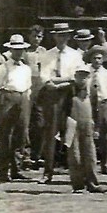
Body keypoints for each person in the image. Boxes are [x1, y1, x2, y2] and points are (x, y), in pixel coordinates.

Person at [39, 22, 82, 184]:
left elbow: (75, 78)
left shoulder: (75, 55)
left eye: (64, 35)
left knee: (71, 132)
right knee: (50, 134)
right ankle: (47, 172)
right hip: (52, 97)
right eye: (59, 35)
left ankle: (74, 173)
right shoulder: (47, 55)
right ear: (54, 36)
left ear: (69, 37)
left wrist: (59, 82)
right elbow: (45, 79)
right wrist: (65, 80)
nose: (61, 38)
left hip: (70, 95)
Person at [0, 35, 35, 182]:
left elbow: (28, 87)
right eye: (15, 50)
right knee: (6, 136)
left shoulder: (26, 69)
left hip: (22, 100)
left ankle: (16, 169)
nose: (18, 52)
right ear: (10, 50)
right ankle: (4, 171)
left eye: (21, 50)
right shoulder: (2, 68)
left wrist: (26, 101)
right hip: (7, 98)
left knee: (21, 135)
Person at [61, 64, 107, 194]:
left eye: (85, 76)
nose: (82, 79)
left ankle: (93, 183)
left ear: (89, 77)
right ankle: (78, 185)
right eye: (79, 76)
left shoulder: (92, 92)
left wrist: (97, 127)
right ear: (75, 77)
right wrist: (63, 130)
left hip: (87, 124)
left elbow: (97, 110)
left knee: (90, 155)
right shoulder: (68, 91)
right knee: (74, 155)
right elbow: (63, 111)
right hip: (71, 124)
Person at [86, 45, 107, 175]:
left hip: (104, 104)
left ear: (103, 59)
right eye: (94, 58)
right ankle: (89, 164)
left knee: (106, 137)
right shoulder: (85, 72)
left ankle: (106, 164)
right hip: (89, 104)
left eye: (99, 58)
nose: (97, 61)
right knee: (88, 134)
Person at [23, 25, 48, 169]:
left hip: (40, 88)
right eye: (34, 36)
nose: (36, 39)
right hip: (27, 87)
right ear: (29, 37)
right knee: (26, 123)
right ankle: (26, 156)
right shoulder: (24, 51)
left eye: (39, 37)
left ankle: (37, 155)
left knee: (40, 123)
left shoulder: (45, 52)